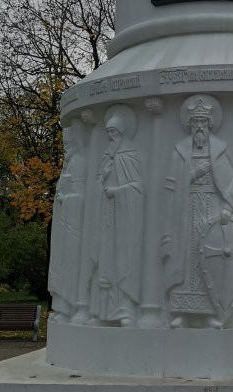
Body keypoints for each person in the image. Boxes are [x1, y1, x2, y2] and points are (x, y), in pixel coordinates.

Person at [161, 94, 233, 327]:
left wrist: (228, 208)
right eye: (195, 123)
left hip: (212, 209)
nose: (199, 127)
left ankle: (211, 313)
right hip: (185, 211)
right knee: (185, 260)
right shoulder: (180, 150)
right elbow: (171, 184)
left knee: (209, 259)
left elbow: (232, 182)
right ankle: (182, 312)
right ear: (190, 125)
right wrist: (194, 174)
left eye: (203, 123)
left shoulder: (219, 150)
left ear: (209, 125)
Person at [90, 105, 143, 327]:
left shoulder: (130, 155)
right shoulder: (106, 156)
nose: (111, 138)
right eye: (108, 134)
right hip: (106, 217)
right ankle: (101, 311)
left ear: (122, 134)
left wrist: (118, 192)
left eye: (114, 134)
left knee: (122, 261)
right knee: (104, 262)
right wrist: (103, 179)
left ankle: (124, 310)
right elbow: (96, 183)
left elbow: (138, 188)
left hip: (124, 217)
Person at [49, 124, 86, 320]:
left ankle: (70, 305)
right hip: (64, 222)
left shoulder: (79, 161)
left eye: (69, 144)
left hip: (74, 223)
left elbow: (81, 196)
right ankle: (62, 307)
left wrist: (67, 199)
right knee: (61, 265)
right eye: (65, 145)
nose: (66, 148)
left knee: (71, 265)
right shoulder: (68, 164)